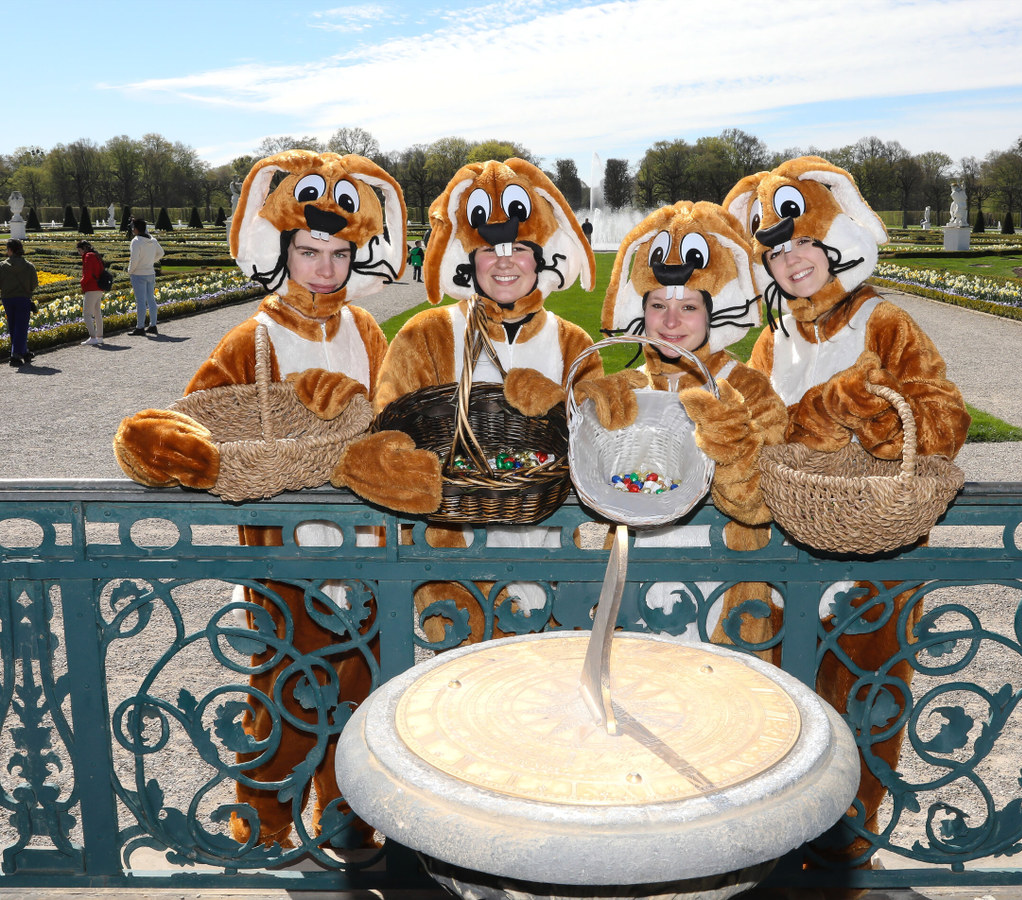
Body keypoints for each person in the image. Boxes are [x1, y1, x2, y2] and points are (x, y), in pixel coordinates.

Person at [114, 149, 410, 849]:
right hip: (284, 557)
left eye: (339, 253)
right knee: (281, 693)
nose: (326, 268)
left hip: (364, 547)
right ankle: (263, 823)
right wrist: (157, 449)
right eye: (310, 251)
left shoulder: (366, 331)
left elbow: (393, 414)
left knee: (362, 693)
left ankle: (347, 821)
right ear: (284, 250)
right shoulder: (254, 335)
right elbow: (192, 419)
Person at [724, 156, 970, 868]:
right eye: (774, 249)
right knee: (785, 712)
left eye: (801, 241)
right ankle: (780, 847)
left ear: (837, 239)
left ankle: (847, 854)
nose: (789, 259)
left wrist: (868, 418)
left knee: (866, 705)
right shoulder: (775, 335)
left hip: (873, 554)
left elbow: (944, 417)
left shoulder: (884, 321)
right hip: (788, 549)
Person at [336, 157, 601, 644]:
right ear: (467, 257)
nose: (504, 262)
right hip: (450, 559)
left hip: (550, 548)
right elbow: (388, 423)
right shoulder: (427, 333)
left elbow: (601, 443)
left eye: (520, 248)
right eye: (489, 250)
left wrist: (561, 406)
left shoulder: (573, 343)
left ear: (539, 256)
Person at [587, 201, 788, 651]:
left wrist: (731, 442)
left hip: (725, 588)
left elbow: (760, 505)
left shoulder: (749, 388)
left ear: (712, 311)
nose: (671, 321)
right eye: (658, 305)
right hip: (631, 583)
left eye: (689, 306)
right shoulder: (626, 387)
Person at [1, 239, 38, 367]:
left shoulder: (2, 266)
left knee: (13, 326)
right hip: (23, 298)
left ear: (10, 250)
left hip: (7, 299)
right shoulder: (29, 266)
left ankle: (23, 351)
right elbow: (34, 284)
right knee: (21, 327)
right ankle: (16, 355)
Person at [127, 218, 164, 336]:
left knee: (141, 302)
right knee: (151, 300)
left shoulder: (136, 241)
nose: (132, 229)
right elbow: (161, 253)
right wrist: (150, 261)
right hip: (150, 272)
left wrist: (130, 271)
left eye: (133, 227)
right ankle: (153, 325)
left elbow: (134, 259)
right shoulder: (152, 240)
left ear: (137, 229)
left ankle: (140, 327)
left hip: (138, 273)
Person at [77, 240, 105, 346]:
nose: (79, 253)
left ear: (84, 248)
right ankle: (100, 337)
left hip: (91, 287)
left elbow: (87, 274)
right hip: (99, 287)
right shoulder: (96, 255)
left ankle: (93, 337)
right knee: (97, 313)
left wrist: (81, 282)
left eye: (80, 250)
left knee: (87, 314)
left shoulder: (88, 256)